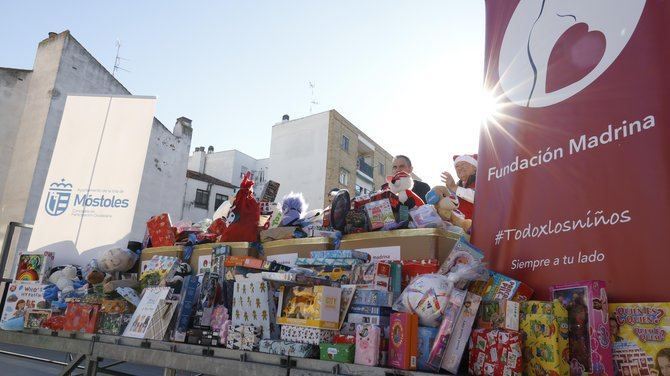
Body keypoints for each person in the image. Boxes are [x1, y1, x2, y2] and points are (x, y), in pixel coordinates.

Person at [441, 154, 477, 220]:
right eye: (457, 166)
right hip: (461, 227)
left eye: (463, 164)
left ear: (475, 167)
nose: (459, 168)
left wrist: (454, 187)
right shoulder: (456, 186)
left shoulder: (482, 181)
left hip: (480, 225)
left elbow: (479, 198)